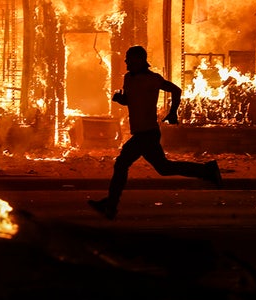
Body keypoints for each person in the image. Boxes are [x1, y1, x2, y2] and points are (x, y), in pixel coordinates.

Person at [88, 45, 222, 220]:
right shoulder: (128, 78)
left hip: (148, 134)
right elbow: (130, 100)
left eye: (129, 58)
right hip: (141, 133)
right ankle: (207, 171)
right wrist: (121, 99)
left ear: (140, 60)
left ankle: (110, 205)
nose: (126, 61)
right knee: (164, 168)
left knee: (122, 164)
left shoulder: (152, 79)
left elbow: (176, 90)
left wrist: (173, 111)